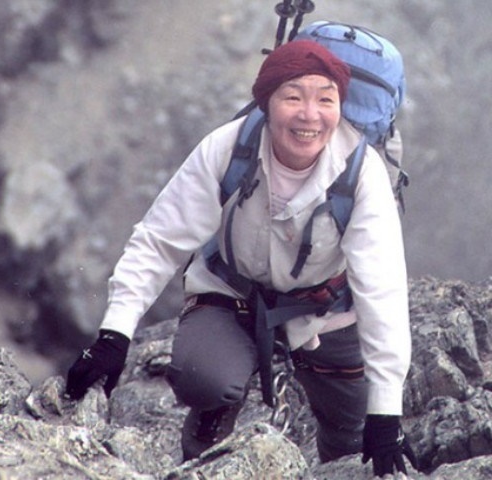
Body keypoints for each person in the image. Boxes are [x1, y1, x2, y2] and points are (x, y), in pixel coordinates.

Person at [65, 39, 415, 477]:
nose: (310, 115)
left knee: (352, 434)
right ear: (267, 104)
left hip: (326, 311)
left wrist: (386, 412)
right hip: (235, 292)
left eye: (326, 99)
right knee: (203, 377)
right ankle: (206, 446)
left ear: (340, 107)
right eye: (293, 97)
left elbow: (382, 291)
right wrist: (114, 335)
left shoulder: (362, 175)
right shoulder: (229, 147)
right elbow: (158, 240)